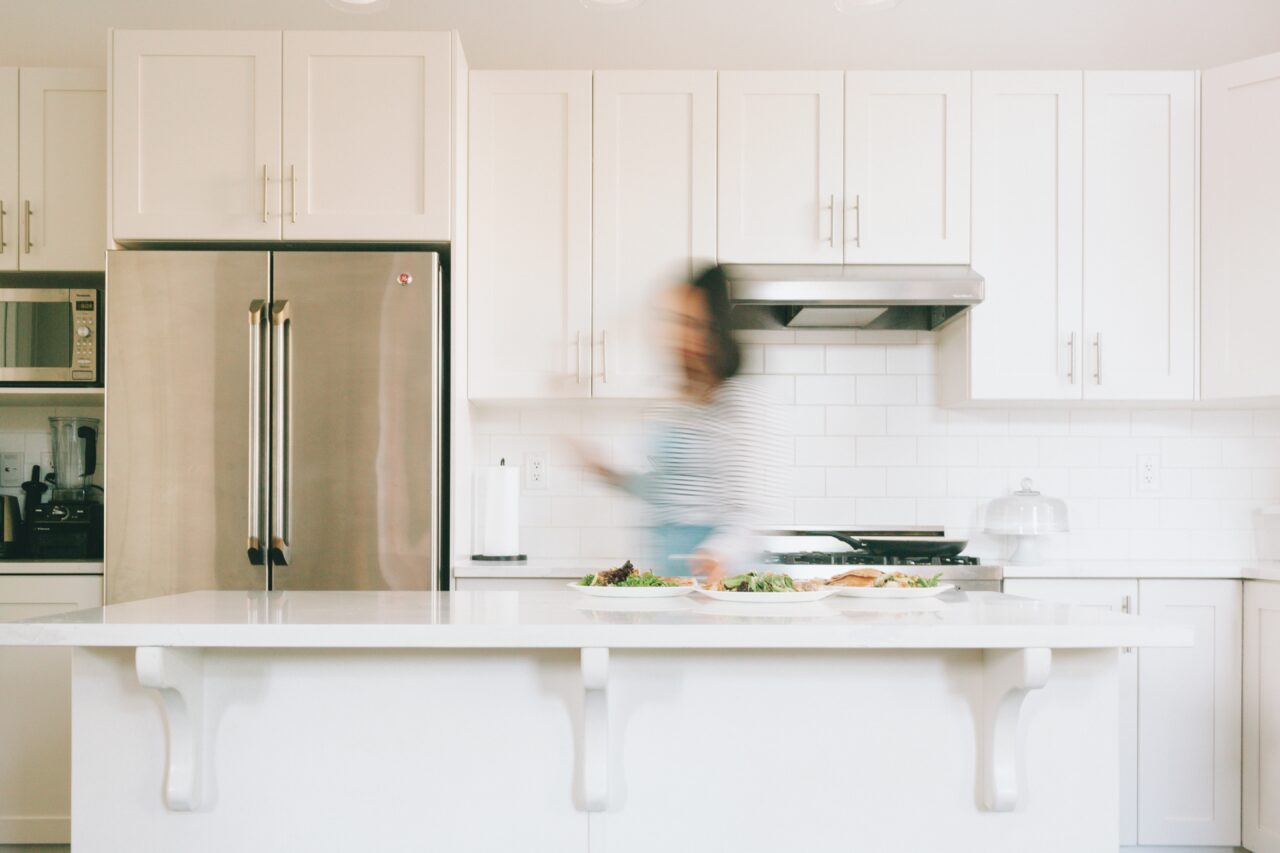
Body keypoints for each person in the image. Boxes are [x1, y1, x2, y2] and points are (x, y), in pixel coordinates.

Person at [576, 265, 778, 581]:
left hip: (718, 580)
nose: (682, 335)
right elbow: (667, 489)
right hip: (668, 576)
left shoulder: (737, 403)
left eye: (693, 324)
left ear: (717, 331)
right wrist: (610, 473)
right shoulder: (674, 400)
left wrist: (717, 555)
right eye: (678, 323)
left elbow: (748, 511)